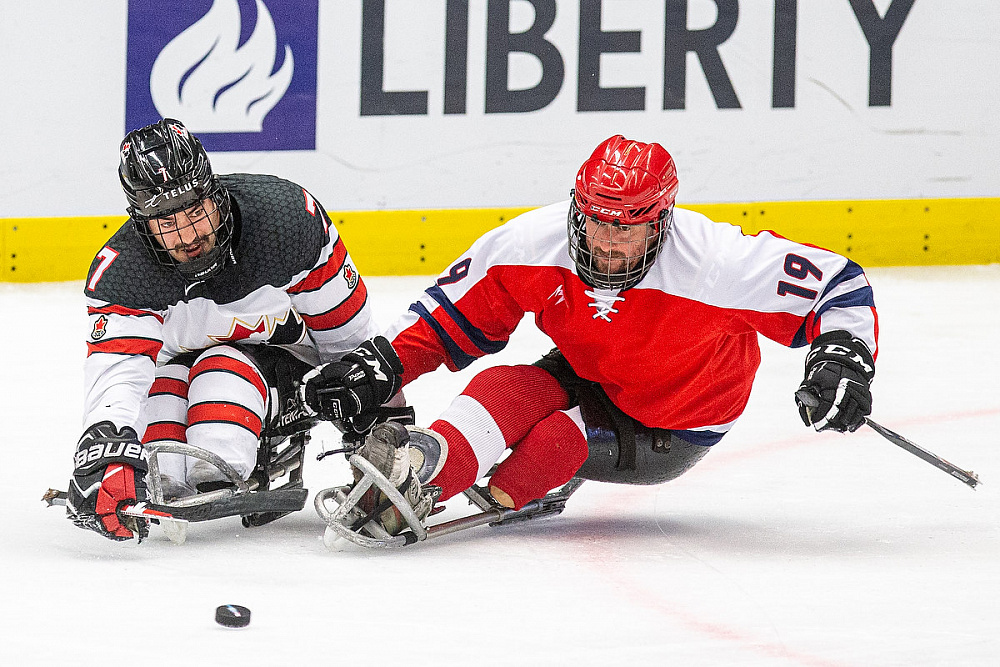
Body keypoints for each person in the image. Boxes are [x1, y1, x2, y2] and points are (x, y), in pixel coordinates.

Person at [317, 134, 878, 535]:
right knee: (502, 388)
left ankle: (502, 480)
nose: (607, 242)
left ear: (661, 222)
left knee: (553, 441)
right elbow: (448, 316)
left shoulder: (715, 260)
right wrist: (380, 363)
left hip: (679, 417)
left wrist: (842, 360)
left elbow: (838, 283)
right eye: (596, 222)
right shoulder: (533, 241)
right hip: (595, 372)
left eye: (627, 229)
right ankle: (419, 468)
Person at [67, 118, 403, 541]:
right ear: (141, 224)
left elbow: (349, 341)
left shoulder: (284, 221)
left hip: (288, 373)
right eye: (167, 223)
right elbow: (120, 375)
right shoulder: (125, 272)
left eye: (195, 211)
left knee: (222, 370)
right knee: (163, 424)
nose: (189, 236)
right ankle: (175, 470)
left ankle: (225, 453)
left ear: (215, 193)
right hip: (180, 369)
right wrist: (105, 449)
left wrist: (381, 423)